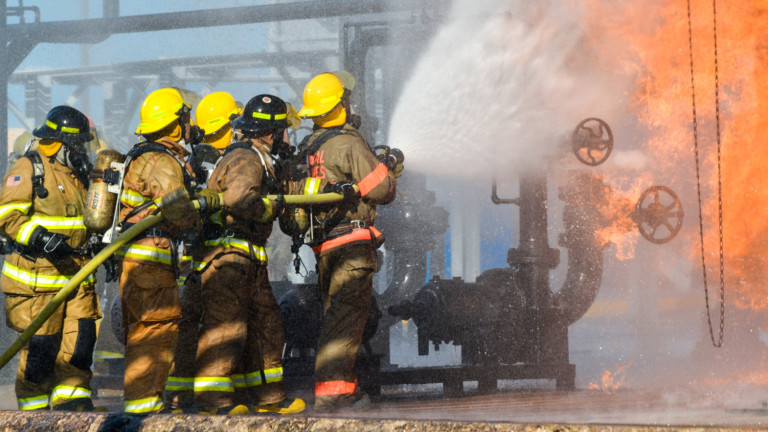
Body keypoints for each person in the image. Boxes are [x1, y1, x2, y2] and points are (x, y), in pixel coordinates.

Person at [192, 94, 311, 415]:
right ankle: (213, 403)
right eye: (284, 131)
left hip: (247, 258)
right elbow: (239, 199)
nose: (286, 138)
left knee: (266, 326)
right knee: (226, 328)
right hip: (228, 257)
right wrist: (270, 207)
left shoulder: (259, 157)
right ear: (271, 132)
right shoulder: (246, 157)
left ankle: (269, 398)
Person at [297, 71, 399, 412]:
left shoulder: (310, 148)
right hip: (352, 245)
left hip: (325, 246)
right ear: (340, 105)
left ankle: (342, 389)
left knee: (337, 317)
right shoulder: (349, 144)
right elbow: (381, 190)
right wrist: (388, 169)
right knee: (344, 323)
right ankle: (335, 395)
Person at [117, 87, 221, 414]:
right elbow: (179, 212)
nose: (190, 124)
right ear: (175, 124)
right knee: (154, 332)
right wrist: (204, 205)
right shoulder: (162, 161)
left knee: (149, 331)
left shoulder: (141, 155)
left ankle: (145, 404)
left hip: (141, 260)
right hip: (151, 261)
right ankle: (143, 411)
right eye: (186, 118)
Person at [0, 106, 102, 411]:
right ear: (62, 144)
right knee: (41, 350)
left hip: (78, 276)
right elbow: (7, 214)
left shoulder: (78, 174)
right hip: (39, 280)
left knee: (80, 344)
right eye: (78, 145)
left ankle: (73, 406)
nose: (83, 151)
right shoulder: (29, 167)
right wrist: (41, 238)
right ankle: (33, 416)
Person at [165, 91, 242, 412]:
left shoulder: (193, 158)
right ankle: (213, 398)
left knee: (188, 324)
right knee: (220, 323)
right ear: (226, 125)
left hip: (190, 255)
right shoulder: (221, 162)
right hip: (214, 253)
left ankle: (179, 394)